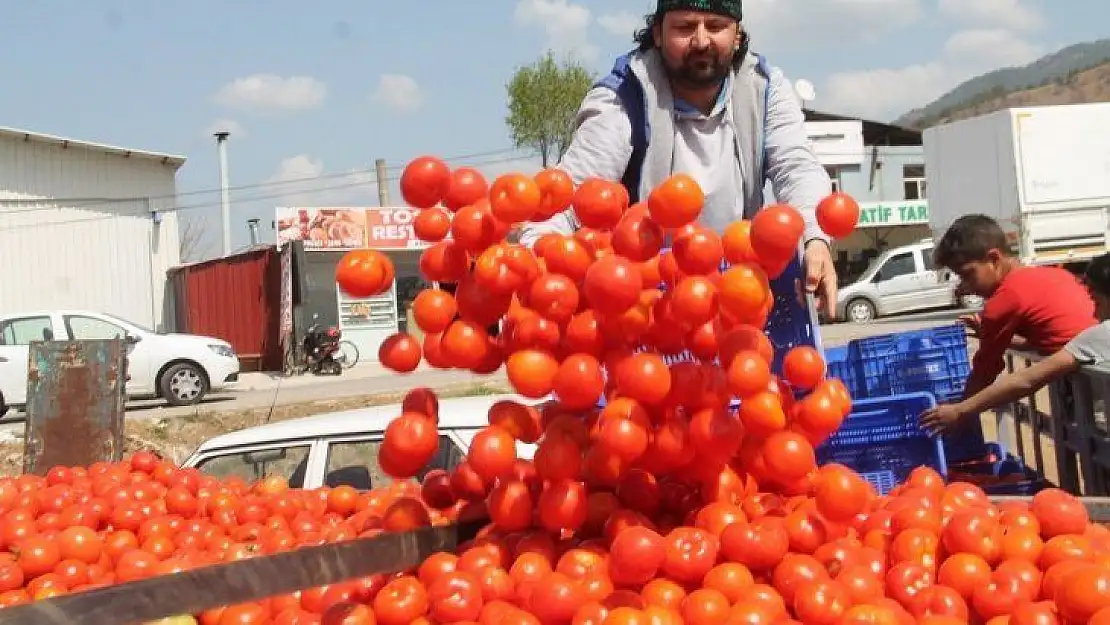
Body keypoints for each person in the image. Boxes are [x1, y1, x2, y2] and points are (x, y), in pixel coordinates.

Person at [517, 0, 839, 318]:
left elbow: (797, 166)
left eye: (716, 27)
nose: (701, 41)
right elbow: (571, 196)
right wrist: (537, 261)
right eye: (685, 28)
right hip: (643, 306)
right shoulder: (625, 97)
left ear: (737, 34)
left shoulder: (764, 89)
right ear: (658, 33)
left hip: (738, 296)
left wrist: (814, 237)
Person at [920, 214, 1098, 433]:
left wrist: (959, 412)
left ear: (994, 259)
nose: (965, 286)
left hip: (1095, 386)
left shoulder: (1004, 298)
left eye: (967, 274)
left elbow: (986, 369)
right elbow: (1055, 338)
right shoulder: (1054, 275)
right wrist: (999, 337)